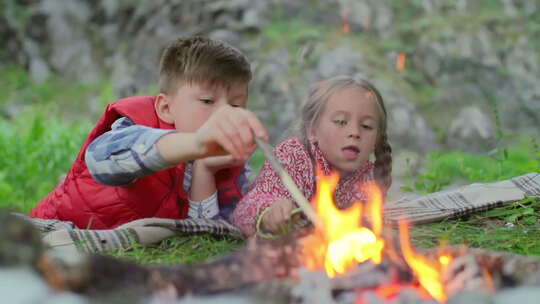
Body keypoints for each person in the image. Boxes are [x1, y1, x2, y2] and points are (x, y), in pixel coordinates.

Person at [30, 36, 268, 229]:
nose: (224, 114)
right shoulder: (137, 126)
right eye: (207, 101)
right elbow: (100, 161)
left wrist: (204, 171)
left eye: (236, 106)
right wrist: (196, 143)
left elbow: (204, 234)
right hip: (54, 229)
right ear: (166, 108)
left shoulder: (230, 165)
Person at [232, 75, 392, 237]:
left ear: (376, 140)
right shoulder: (292, 157)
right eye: (341, 121)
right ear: (312, 130)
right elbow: (244, 210)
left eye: (366, 126)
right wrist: (269, 213)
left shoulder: (370, 177)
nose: (355, 133)